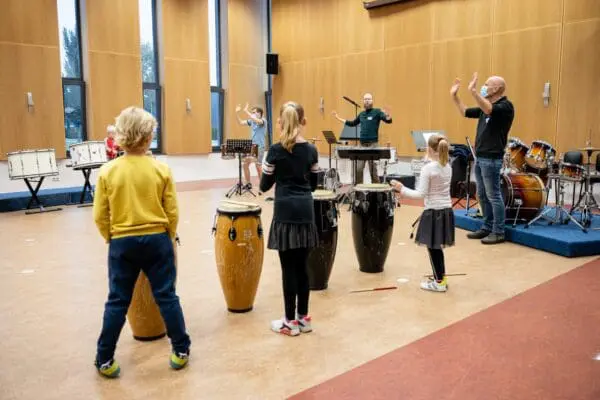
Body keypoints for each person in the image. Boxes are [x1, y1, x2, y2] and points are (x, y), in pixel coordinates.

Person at [92, 107, 191, 378]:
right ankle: (180, 349)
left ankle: (104, 358)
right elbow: (172, 211)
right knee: (167, 296)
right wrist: (168, 237)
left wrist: (110, 238)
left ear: (120, 136)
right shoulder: (161, 169)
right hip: (157, 240)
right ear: (149, 138)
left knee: (117, 301)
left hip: (122, 242)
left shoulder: (107, 171)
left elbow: (100, 215)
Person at [259, 101, 319, 336]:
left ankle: (288, 322)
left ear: (282, 122)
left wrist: (267, 167)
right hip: (305, 211)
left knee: (288, 269)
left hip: (285, 212)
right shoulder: (312, 150)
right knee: (303, 267)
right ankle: (304, 318)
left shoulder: (274, 150)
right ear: (302, 121)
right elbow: (313, 184)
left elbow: (264, 186)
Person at [451, 73, 514, 245]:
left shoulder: (505, 106)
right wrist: (455, 96)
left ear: (497, 89)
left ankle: (499, 231)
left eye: (487, 84)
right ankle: (487, 226)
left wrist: (474, 92)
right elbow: (465, 112)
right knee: (482, 194)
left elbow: (489, 110)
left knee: (493, 194)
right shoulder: (485, 106)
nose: (483, 86)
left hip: (492, 158)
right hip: (480, 157)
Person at [391, 134, 454, 292]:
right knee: (436, 247)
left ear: (430, 149)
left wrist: (401, 188)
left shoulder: (428, 168)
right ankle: (440, 277)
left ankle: (439, 282)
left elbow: (420, 194)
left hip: (433, 211)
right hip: (446, 210)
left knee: (433, 248)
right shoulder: (447, 166)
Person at [332, 93, 392, 184]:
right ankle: (359, 194)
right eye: (365, 99)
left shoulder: (377, 112)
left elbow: (388, 120)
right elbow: (352, 123)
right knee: (358, 170)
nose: (367, 100)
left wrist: (388, 115)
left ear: (372, 101)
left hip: (373, 145)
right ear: (363, 101)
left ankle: (376, 194)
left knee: (373, 171)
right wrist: (338, 117)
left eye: (369, 99)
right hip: (362, 145)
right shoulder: (361, 114)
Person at [235, 103, 267, 190]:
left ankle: (263, 185)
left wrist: (246, 111)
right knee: (245, 164)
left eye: (254, 112)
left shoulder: (263, 121)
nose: (252, 114)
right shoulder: (252, 121)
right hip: (251, 147)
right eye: (252, 112)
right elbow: (241, 122)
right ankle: (248, 184)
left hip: (260, 146)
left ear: (260, 113)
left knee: (258, 165)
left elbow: (255, 119)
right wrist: (237, 113)